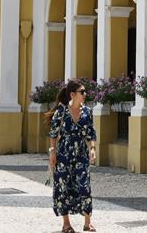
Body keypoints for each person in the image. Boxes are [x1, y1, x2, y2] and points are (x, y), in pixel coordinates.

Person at [46, 79, 97, 233]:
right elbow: (53, 134)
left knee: (84, 186)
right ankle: (66, 224)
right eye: (82, 92)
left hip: (81, 154)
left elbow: (90, 132)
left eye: (85, 91)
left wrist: (92, 148)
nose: (85, 94)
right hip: (63, 154)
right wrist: (52, 152)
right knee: (63, 187)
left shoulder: (87, 111)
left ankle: (87, 223)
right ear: (72, 94)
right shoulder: (61, 112)